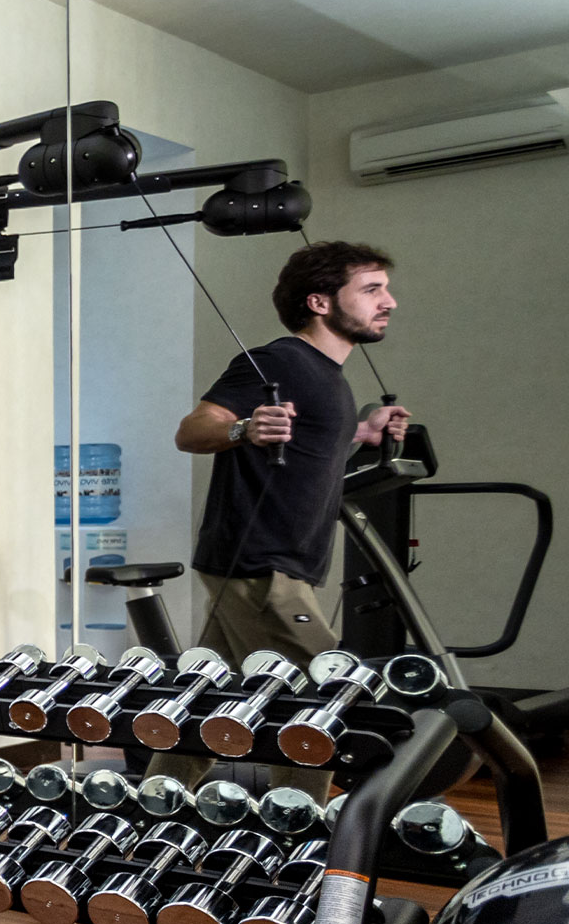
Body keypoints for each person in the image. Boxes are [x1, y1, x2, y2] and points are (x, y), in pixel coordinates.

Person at [155, 240, 409, 793]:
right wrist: (243, 428)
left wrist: (360, 433)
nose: (388, 301)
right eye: (371, 290)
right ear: (320, 302)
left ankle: (155, 807)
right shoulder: (278, 362)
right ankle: (297, 826)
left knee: (207, 703)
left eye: (385, 290)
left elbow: (303, 448)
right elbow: (192, 430)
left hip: (269, 565)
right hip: (260, 567)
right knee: (325, 693)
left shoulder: (329, 377)